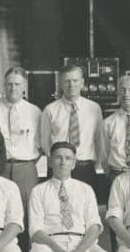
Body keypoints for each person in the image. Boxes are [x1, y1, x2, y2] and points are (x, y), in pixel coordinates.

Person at [39, 63, 105, 198]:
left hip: (85, 167)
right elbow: (44, 142)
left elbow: (100, 139)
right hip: (60, 167)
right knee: (58, 207)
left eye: (75, 81)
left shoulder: (94, 108)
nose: (71, 85)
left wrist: (99, 165)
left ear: (82, 83)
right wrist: (56, 163)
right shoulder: (50, 110)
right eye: (67, 81)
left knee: (84, 209)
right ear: (61, 84)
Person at [0, 66, 44, 215]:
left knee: (27, 212)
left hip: (26, 169)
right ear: (4, 85)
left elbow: (40, 143)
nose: (13, 88)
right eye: (9, 84)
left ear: (24, 86)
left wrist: (26, 163)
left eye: (17, 84)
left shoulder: (35, 111)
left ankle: (24, 240)